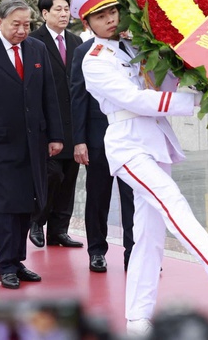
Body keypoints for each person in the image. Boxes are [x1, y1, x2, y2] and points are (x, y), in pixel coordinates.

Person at [73, 0, 208, 335]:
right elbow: (135, 100)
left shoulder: (132, 46)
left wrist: (194, 75)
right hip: (127, 143)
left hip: (155, 141)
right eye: (99, 15)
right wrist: (194, 101)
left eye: (112, 11)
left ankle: (137, 318)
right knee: (170, 198)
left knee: (148, 234)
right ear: (86, 23)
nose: (109, 18)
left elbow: (161, 84)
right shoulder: (94, 60)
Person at [0, 0, 64, 289]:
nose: (21, 30)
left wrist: (55, 136)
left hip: (33, 141)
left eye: (27, 24)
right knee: (5, 207)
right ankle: (5, 264)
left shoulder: (37, 49)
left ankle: (18, 261)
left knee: (25, 203)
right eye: (15, 24)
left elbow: (49, 96)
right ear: (0, 23)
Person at [71, 33, 134, 273]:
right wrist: (79, 140)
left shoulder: (133, 48)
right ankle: (97, 251)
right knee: (98, 197)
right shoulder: (85, 51)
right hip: (98, 137)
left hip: (131, 137)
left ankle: (134, 252)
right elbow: (78, 98)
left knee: (133, 198)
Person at [28, 0, 83, 249]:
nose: (64, 14)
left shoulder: (76, 42)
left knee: (70, 178)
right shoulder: (32, 42)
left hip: (74, 123)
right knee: (51, 176)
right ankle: (37, 221)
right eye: (58, 9)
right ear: (44, 13)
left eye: (67, 9)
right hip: (48, 125)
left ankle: (59, 230)